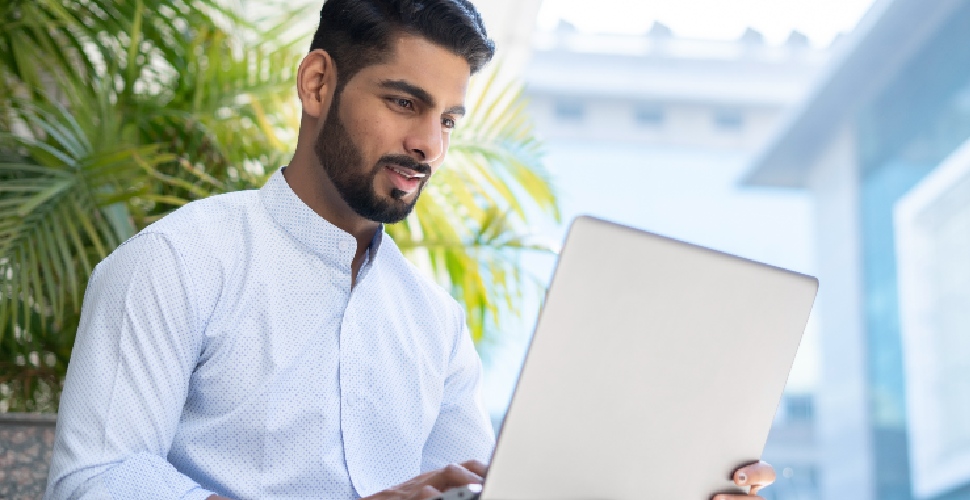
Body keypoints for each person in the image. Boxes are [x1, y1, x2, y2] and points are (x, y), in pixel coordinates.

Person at [44, 0, 777, 499]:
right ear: (317, 82)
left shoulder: (434, 323)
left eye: (449, 119)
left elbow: (474, 490)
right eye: (404, 103)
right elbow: (92, 480)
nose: (429, 144)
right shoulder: (176, 262)